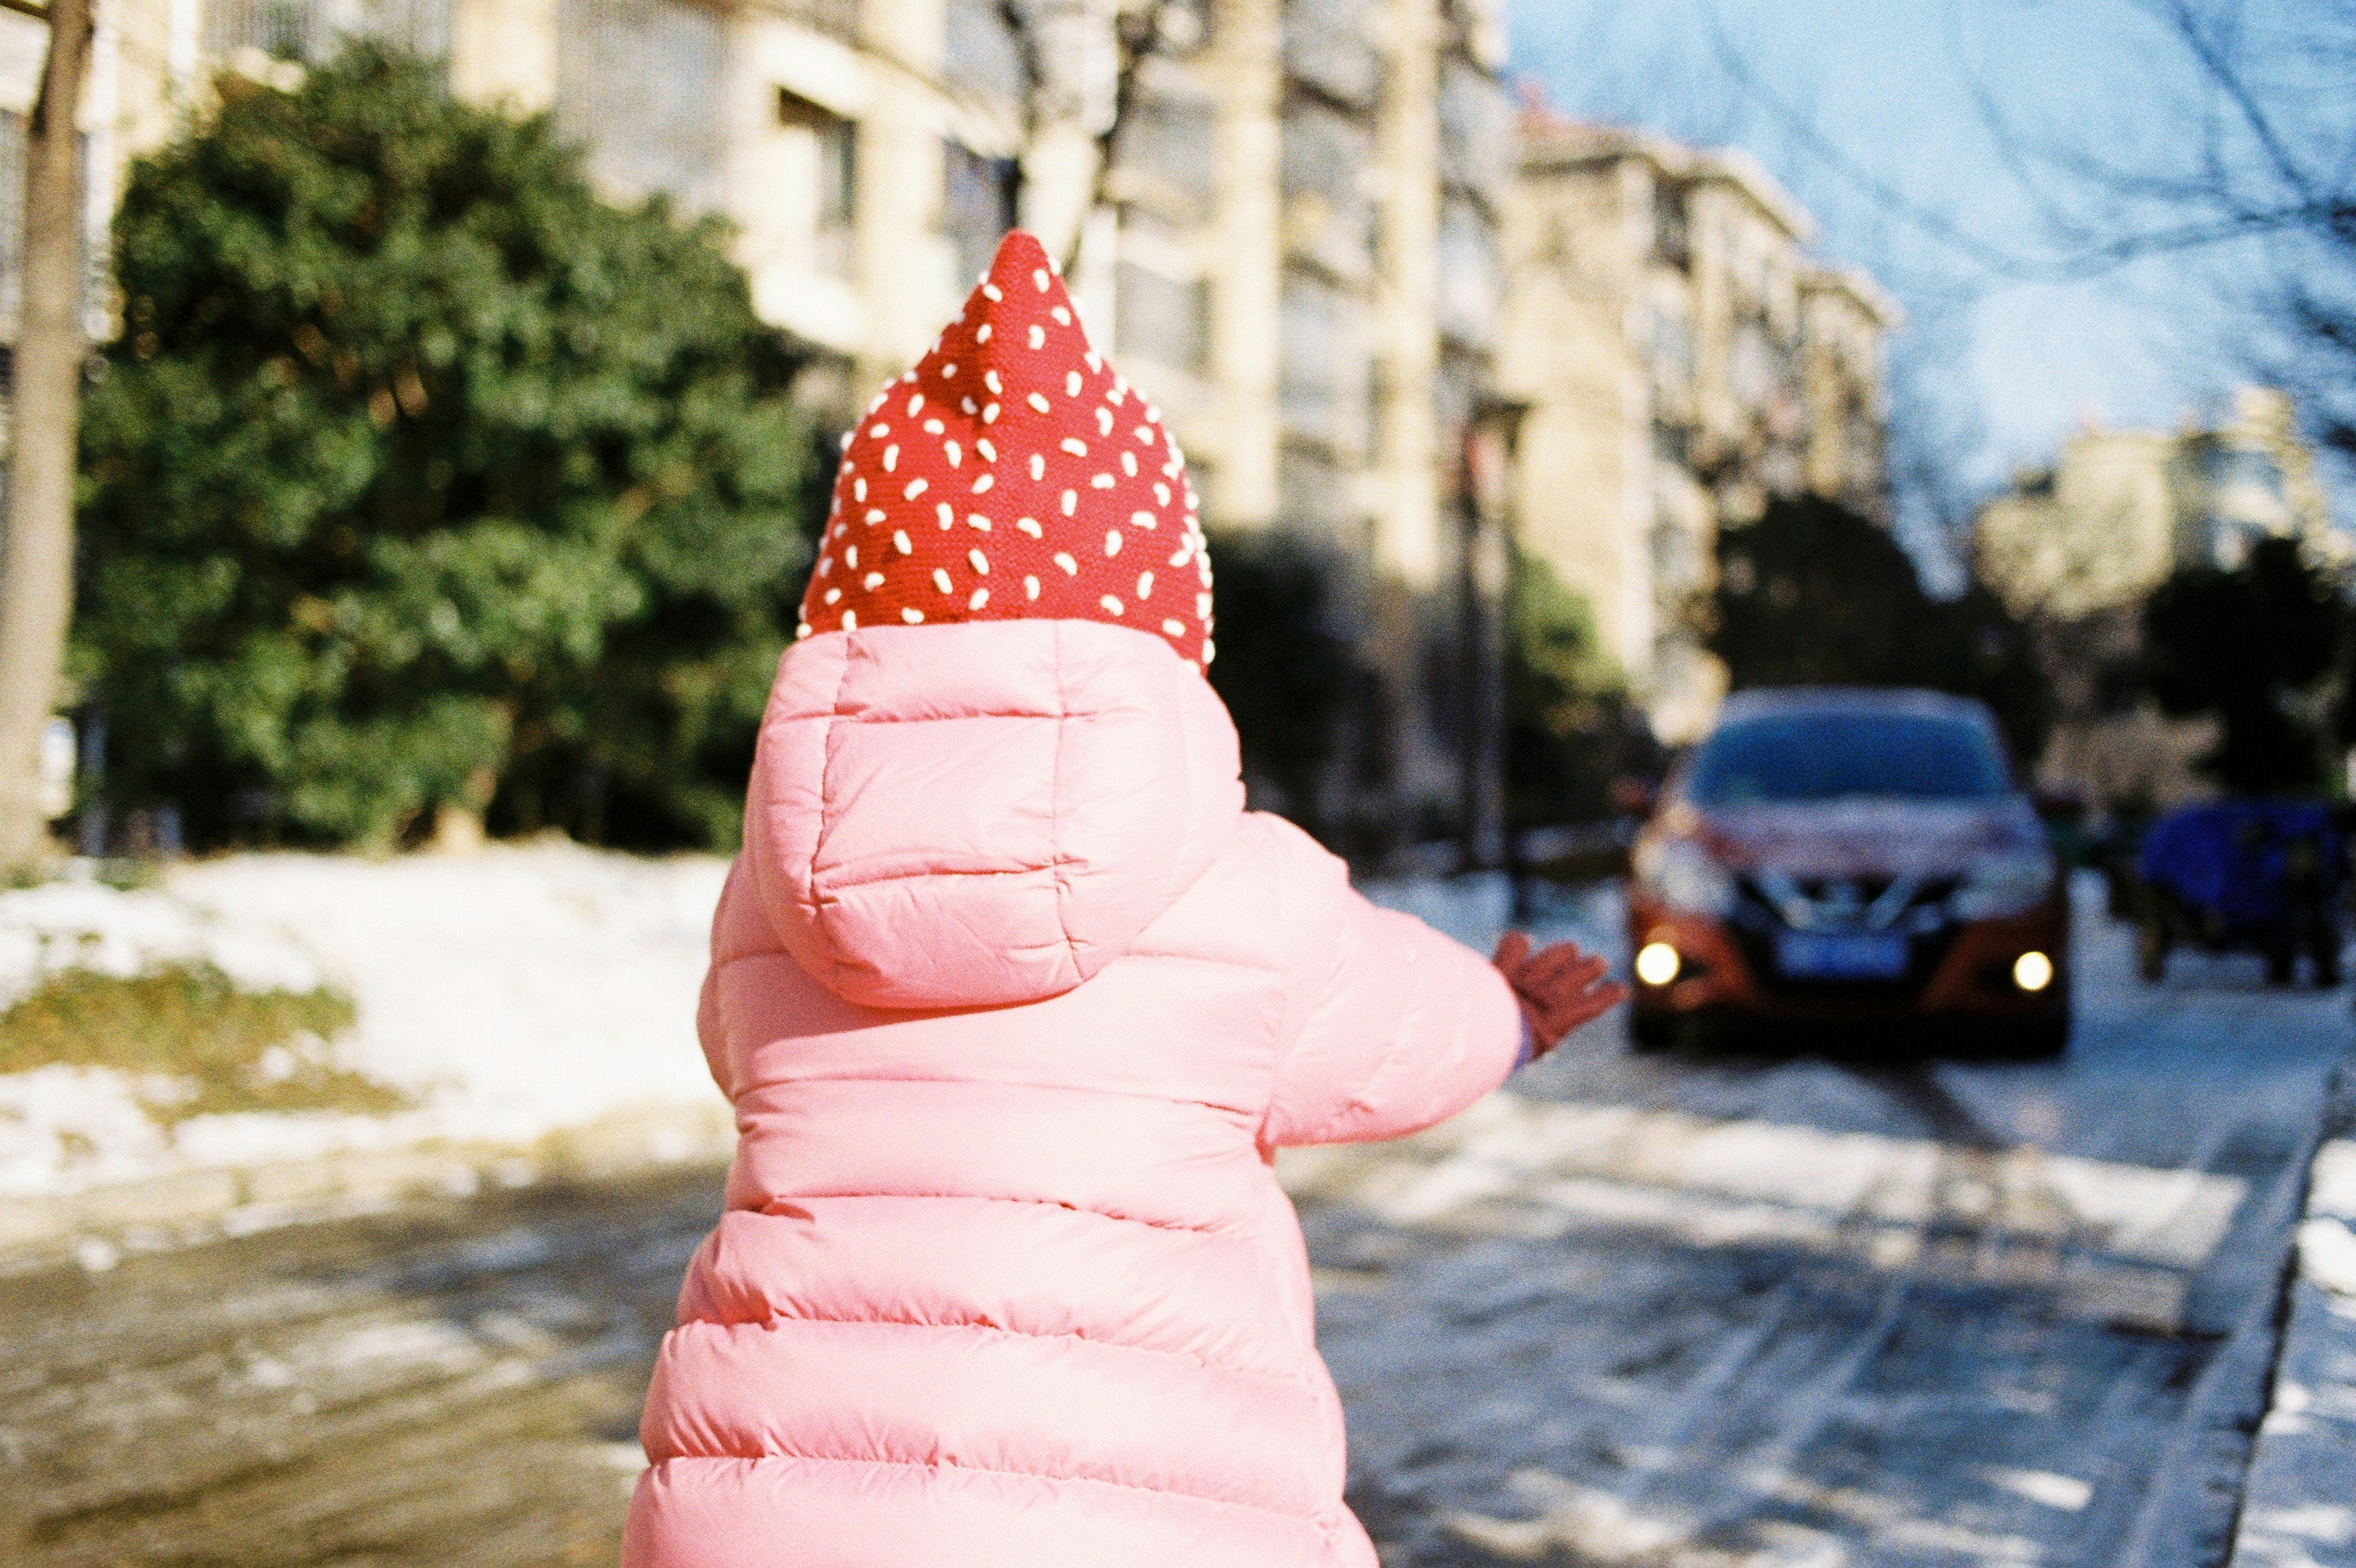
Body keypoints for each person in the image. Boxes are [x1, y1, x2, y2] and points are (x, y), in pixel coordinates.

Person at [622, 230, 1624, 1568]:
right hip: (1144, 1512)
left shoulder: (771, 898)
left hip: (766, 1509)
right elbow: (1398, 1032)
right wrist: (1504, 1014)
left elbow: (739, 1054)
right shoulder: (1244, 892)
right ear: (1162, 617)